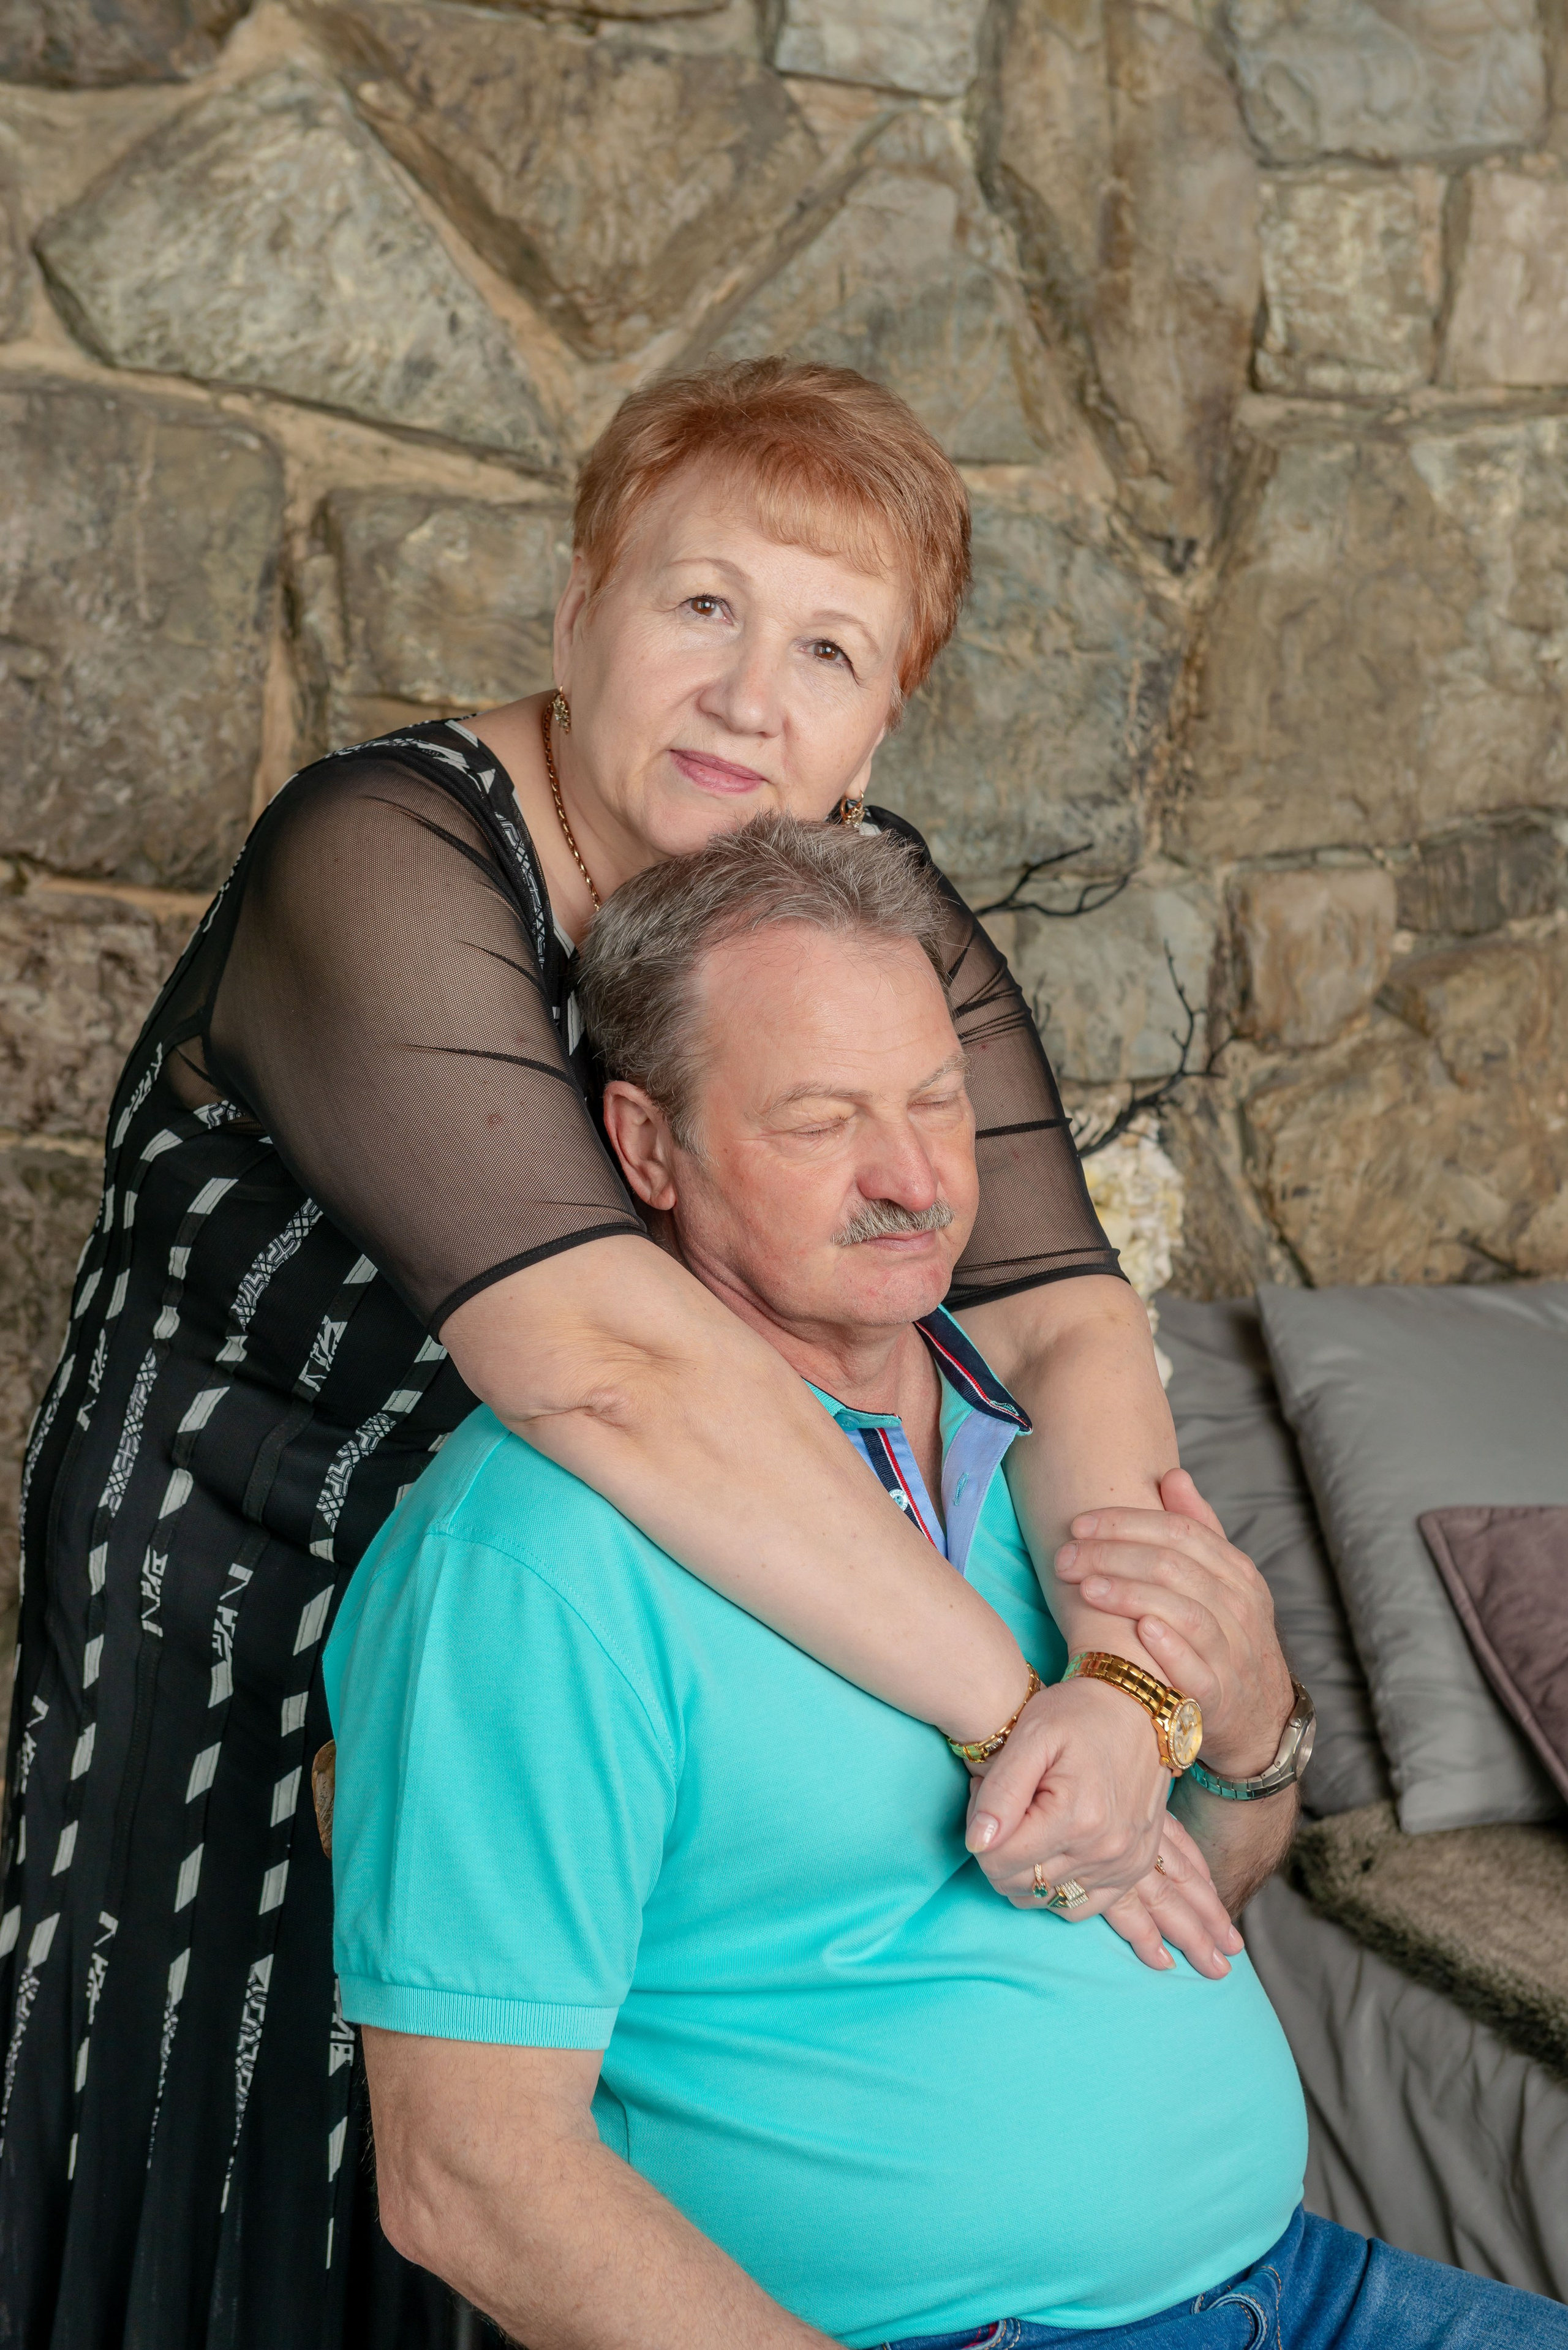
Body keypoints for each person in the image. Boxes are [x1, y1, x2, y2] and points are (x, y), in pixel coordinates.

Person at [3, 360, 1267, 2350]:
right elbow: (611, 1365)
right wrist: (1015, 1705)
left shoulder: (858, 893)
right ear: (582, 602)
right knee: (260, 2182)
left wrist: (1123, 1696)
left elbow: (1058, 1310)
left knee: (595, 2172)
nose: (751, 692)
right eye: (704, 604)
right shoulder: (383, 845)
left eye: (828, 645)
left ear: (878, 724)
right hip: (246, 1608)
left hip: (581, 1605)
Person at [329, 816, 1566, 2350]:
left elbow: (1191, 1894)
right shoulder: (528, 1560)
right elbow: (468, 2177)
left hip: (1298, 2280)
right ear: (647, 1146)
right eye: (818, 1121)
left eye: (934, 1099)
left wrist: (1253, 1737)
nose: (911, 1175)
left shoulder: (1046, 1449)